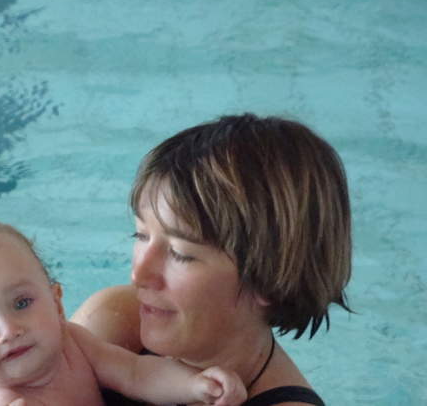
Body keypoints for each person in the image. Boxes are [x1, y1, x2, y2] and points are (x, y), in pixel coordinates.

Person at [72, 113, 353, 406]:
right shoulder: (116, 319)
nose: (139, 275)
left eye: (180, 254)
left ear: (268, 281)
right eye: (141, 235)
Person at [0, 217, 246, 406]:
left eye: (21, 303)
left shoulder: (74, 344)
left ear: (57, 303)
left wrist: (193, 385)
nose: (9, 330)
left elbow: (134, 373)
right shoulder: (3, 402)